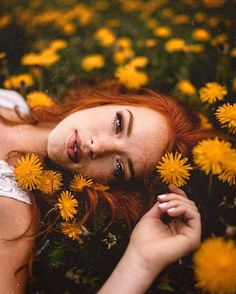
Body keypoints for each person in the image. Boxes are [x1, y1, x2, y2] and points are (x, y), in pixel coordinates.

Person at [0, 81, 206, 293]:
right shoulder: (14, 103)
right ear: (109, 102)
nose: (97, 147)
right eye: (118, 124)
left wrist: (141, 261)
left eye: (119, 166)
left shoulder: (13, 212)